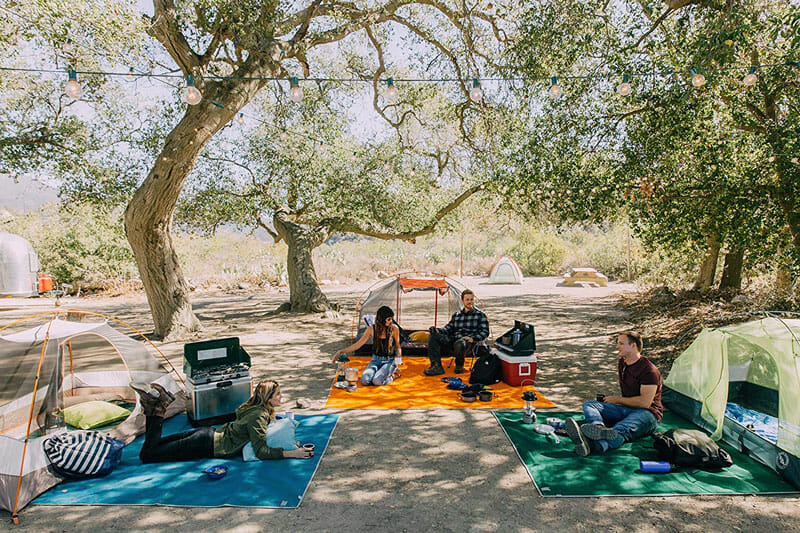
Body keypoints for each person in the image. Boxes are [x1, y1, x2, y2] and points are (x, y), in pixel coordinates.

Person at [130, 379, 313, 463]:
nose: (281, 397)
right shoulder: (259, 416)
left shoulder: (253, 408)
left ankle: (154, 405)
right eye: (278, 394)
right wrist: (292, 453)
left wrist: (290, 442)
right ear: (268, 397)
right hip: (207, 444)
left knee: (155, 446)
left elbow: (265, 432)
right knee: (148, 455)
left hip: (207, 434)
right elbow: (261, 451)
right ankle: (157, 408)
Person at [565, 331, 663, 457]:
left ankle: (596, 445)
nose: (617, 347)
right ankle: (598, 428)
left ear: (633, 346)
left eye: (621, 343)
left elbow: (645, 403)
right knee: (590, 405)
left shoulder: (649, 371)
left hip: (648, 413)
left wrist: (617, 400)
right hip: (626, 408)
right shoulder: (623, 363)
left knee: (621, 429)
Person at [423, 289, 490, 376]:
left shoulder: (480, 315)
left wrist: (473, 338)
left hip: (467, 343)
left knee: (460, 343)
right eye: (467, 300)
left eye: (471, 299)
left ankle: (459, 365)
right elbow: (449, 328)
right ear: (462, 301)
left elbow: (485, 332)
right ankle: (436, 366)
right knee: (433, 336)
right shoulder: (457, 315)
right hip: (453, 340)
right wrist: (438, 330)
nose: (470, 302)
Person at [332, 305, 401, 386]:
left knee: (377, 381)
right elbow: (358, 344)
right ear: (382, 319)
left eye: (391, 318)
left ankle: (393, 375)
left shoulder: (394, 328)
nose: (391, 321)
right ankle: (382, 372)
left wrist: (398, 361)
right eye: (389, 319)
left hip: (389, 361)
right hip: (376, 360)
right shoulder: (371, 329)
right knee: (365, 380)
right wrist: (341, 351)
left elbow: (397, 346)